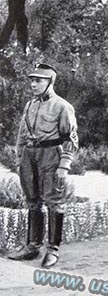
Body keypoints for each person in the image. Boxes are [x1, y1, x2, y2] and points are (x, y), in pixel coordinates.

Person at [9, 63, 78, 268]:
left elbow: (71, 138)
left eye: (38, 80)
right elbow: (22, 133)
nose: (33, 84)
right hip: (30, 156)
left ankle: (52, 249)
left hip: (51, 155)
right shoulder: (30, 105)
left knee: (54, 201)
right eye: (32, 80)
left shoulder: (62, 106)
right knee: (32, 200)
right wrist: (20, 157)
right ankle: (32, 246)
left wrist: (64, 164)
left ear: (50, 82)